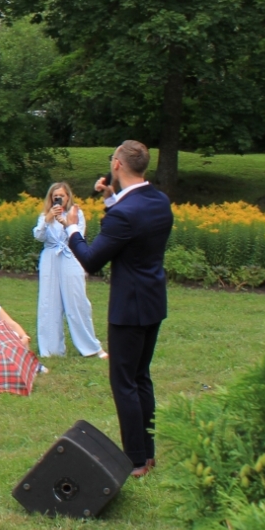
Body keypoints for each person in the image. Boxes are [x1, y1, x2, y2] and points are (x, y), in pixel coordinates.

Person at [68, 140, 173, 477]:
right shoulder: (157, 200)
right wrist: (110, 198)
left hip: (129, 307)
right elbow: (130, 225)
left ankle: (136, 460)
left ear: (117, 165)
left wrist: (72, 229)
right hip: (154, 299)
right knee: (141, 377)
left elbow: (92, 260)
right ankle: (149, 453)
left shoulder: (126, 214)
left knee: (124, 382)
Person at [34, 182, 106, 360]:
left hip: (70, 255)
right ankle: (51, 349)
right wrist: (48, 219)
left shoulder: (76, 213)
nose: (59, 199)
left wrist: (66, 223)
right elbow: (38, 236)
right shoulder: (45, 215)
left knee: (77, 301)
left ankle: (90, 346)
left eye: (62, 196)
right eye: (55, 196)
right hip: (50, 257)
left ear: (68, 197)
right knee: (48, 303)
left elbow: (78, 235)